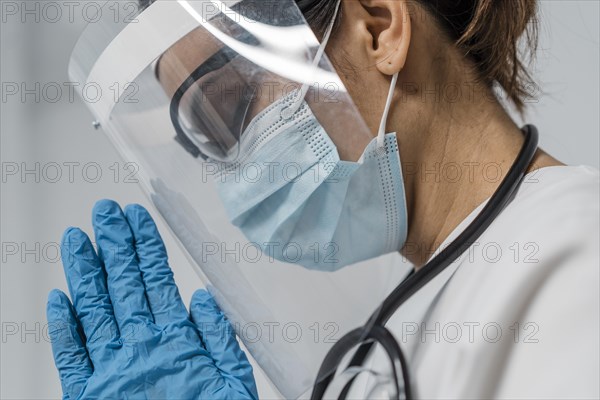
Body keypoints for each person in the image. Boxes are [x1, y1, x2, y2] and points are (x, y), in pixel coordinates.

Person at [48, 0, 599, 398]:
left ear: (378, 30)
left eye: (230, 104)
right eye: (208, 136)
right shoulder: (378, 351)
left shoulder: (573, 253)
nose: (232, 171)